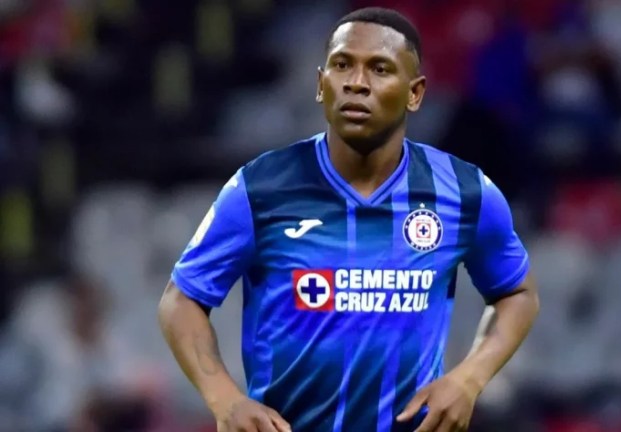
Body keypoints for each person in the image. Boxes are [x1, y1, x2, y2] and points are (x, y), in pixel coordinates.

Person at [158, 7, 539, 432]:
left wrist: (469, 379)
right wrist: (224, 399)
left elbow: (517, 293)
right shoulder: (261, 186)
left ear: (414, 93)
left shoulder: (464, 191)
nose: (357, 82)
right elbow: (181, 300)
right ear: (321, 85)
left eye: (380, 68)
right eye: (342, 65)